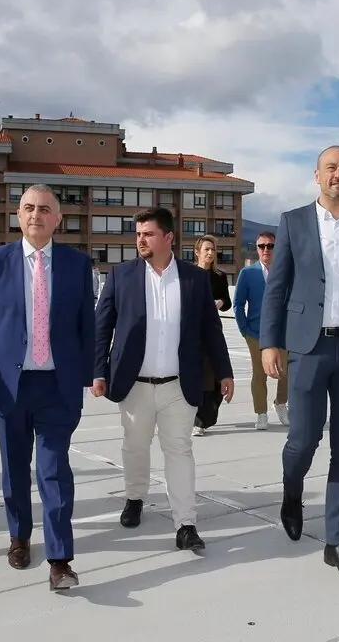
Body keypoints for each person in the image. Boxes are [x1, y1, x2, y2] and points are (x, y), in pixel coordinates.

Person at [259, 145, 339, 583]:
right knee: (303, 441)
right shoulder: (293, 222)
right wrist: (270, 343)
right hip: (308, 348)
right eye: (331, 168)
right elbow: (276, 288)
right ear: (317, 175)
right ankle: (292, 492)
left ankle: (337, 542)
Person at [0, 184, 95, 591]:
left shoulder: (77, 264)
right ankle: (19, 537)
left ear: (58, 219)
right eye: (28, 208)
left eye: (44, 209)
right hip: (9, 388)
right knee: (15, 470)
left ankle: (60, 560)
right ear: (18, 215)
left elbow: (86, 328)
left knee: (55, 471)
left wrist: (89, 376)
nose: (35, 215)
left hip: (58, 388)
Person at [92, 207, 234, 551]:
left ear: (168, 237)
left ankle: (186, 523)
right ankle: (135, 497)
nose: (141, 239)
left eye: (148, 233)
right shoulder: (121, 275)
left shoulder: (194, 279)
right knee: (135, 447)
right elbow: (102, 327)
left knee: (180, 451)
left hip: (178, 385)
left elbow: (211, 330)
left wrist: (225, 371)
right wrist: (98, 371)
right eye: (138, 233)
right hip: (134, 384)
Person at [233, 231, 289, 429]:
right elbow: (238, 304)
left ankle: (281, 404)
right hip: (255, 332)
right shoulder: (248, 274)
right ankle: (261, 413)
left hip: (282, 332)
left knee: (286, 371)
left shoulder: (286, 272)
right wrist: (244, 330)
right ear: (256, 248)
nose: (266, 250)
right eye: (261, 246)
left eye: (270, 246)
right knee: (259, 374)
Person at [190, 235, 233, 436]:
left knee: (213, 375)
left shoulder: (219, 276)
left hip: (212, 331)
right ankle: (196, 418)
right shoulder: (188, 275)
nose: (210, 253)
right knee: (194, 373)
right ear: (197, 252)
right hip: (191, 331)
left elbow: (227, 301)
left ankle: (204, 418)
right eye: (206, 249)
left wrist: (220, 303)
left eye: (213, 250)